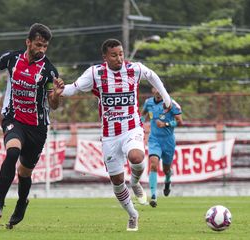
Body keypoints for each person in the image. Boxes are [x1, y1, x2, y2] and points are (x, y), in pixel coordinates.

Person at [60, 39, 172, 231]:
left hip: (131, 128)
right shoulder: (96, 73)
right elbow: (74, 88)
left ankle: (135, 182)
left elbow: (152, 75)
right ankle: (133, 215)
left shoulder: (134, 69)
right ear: (105, 57)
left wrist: (166, 97)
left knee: (137, 157)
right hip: (110, 135)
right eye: (114, 55)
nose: (119, 58)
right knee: (117, 181)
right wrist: (59, 90)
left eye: (121, 54)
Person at [0, 23, 64, 229]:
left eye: (45, 46)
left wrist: (57, 96)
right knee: (12, 152)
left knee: (24, 173)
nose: (41, 49)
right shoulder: (12, 58)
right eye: (38, 44)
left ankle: (21, 203)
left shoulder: (50, 71)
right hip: (13, 119)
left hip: (37, 127)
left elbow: (53, 105)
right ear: (28, 42)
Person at [140, 87, 183, 208]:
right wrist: (139, 124)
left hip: (168, 141)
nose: (158, 91)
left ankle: (168, 180)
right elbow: (143, 115)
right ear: (153, 90)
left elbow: (180, 122)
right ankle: (153, 196)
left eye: (160, 89)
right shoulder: (148, 102)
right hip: (154, 140)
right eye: (156, 89)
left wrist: (166, 124)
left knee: (166, 169)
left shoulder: (171, 103)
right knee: (153, 164)